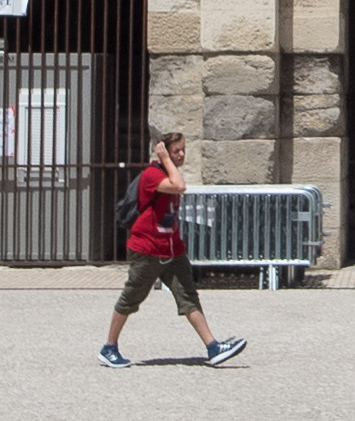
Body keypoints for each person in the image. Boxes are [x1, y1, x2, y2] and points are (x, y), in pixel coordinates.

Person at [97, 128, 246, 369]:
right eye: (176, 151)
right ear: (164, 151)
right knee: (130, 298)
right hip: (147, 249)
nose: (181, 154)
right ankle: (109, 348)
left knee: (188, 296)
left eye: (183, 150)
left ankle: (213, 347)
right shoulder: (152, 175)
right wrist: (164, 158)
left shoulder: (169, 172)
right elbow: (179, 186)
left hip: (171, 250)